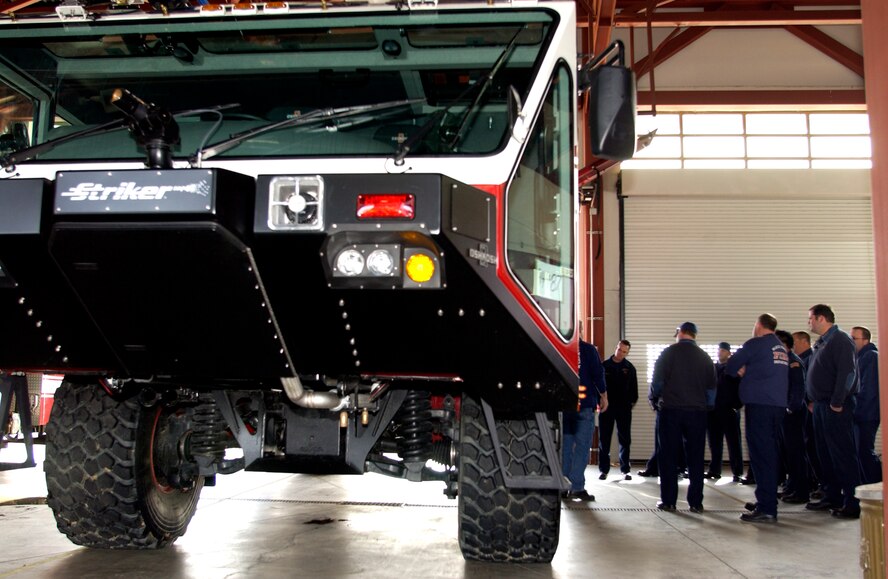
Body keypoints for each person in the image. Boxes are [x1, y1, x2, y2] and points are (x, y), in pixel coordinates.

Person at [727, 314, 789, 524]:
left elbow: (731, 365)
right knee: (770, 455)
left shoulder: (756, 344)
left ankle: (767, 508)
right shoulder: (780, 347)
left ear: (759, 326)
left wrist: (744, 370)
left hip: (760, 407)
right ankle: (767, 500)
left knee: (761, 456)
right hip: (777, 407)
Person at [650, 322, 716, 513]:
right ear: (695, 335)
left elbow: (658, 382)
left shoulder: (668, 353)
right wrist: (707, 406)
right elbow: (711, 388)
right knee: (696, 457)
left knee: (668, 456)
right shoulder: (704, 357)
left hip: (671, 410)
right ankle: (696, 502)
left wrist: (655, 398)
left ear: (680, 333)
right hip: (697, 412)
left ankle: (669, 501)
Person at [805, 304, 861, 519]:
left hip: (836, 406)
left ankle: (852, 503)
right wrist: (813, 400)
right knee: (825, 454)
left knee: (842, 455)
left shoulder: (841, 340)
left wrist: (837, 401)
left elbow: (848, 373)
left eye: (810, 319)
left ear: (821, 318)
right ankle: (831, 496)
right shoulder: (822, 343)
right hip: (820, 405)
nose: (809, 323)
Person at [562, 339, 607, 501]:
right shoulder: (588, 350)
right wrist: (604, 395)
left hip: (564, 404)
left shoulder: (559, 344)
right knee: (582, 445)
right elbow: (597, 374)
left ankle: (563, 485)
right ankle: (577, 487)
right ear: (579, 329)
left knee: (565, 445)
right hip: (585, 404)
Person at [776, 330, 810, 504]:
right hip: (785, 413)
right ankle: (791, 487)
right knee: (788, 453)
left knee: (796, 453)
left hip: (794, 413)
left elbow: (798, 390)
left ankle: (801, 492)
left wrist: (790, 409)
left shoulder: (794, 362)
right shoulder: (784, 361)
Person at [598, 340, 638, 481]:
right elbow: (598, 386)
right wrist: (600, 403)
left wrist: (629, 404)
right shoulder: (604, 366)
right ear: (616, 348)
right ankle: (604, 470)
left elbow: (634, 390)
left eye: (624, 351)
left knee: (625, 439)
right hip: (607, 408)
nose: (621, 353)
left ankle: (625, 469)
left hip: (624, 409)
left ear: (627, 353)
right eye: (619, 350)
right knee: (604, 439)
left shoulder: (629, 368)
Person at [704, 342, 744, 482]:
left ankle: (737, 471)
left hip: (729, 410)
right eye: (719, 350)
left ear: (728, 353)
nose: (720, 353)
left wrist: (737, 405)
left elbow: (741, 386)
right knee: (714, 442)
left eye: (723, 350)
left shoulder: (733, 369)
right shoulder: (713, 368)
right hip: (713, 410)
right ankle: (714, 470)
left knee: (733, 442)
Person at [851, 326, 881, 484]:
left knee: (865, 451)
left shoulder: (870, 356)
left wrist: (855, 410)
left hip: (867, 414)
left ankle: (875, 485)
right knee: (860, 452)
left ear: (866, 340)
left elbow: (868, 389)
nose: (851, 342)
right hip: (862, 413)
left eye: (854, 339)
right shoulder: (860, 357)